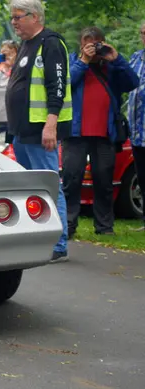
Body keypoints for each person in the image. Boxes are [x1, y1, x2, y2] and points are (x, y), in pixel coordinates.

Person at [5, 0, 72, 263]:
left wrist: (50, 124)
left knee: (49, 185)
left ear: (34, 16)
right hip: (23, 130)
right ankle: (36, 237)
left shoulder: (51, 43)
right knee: (29, 186)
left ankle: (59, 243)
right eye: (12, 17)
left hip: (41, 129)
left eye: (18, 17)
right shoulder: (26, 44)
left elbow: (57, 86)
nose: (14, 22)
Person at [63, 27, 139, 238]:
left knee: (104, 180)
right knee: (71, 178)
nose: (93, 46)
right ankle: (68, 225)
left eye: (97, 42)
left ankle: (104, 227)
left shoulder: (112, 66)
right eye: (88, 42)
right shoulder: (72, 61)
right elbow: (65, 85)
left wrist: (117, 59)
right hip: (75, 133)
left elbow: (133, 83)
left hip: (105, 133)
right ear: (80, 44)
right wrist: (83, 62)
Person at [127, 21, 145, 232]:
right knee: (142, 176)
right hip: (138, 131)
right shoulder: (136, 57)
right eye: (142, 33)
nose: (143, 36)